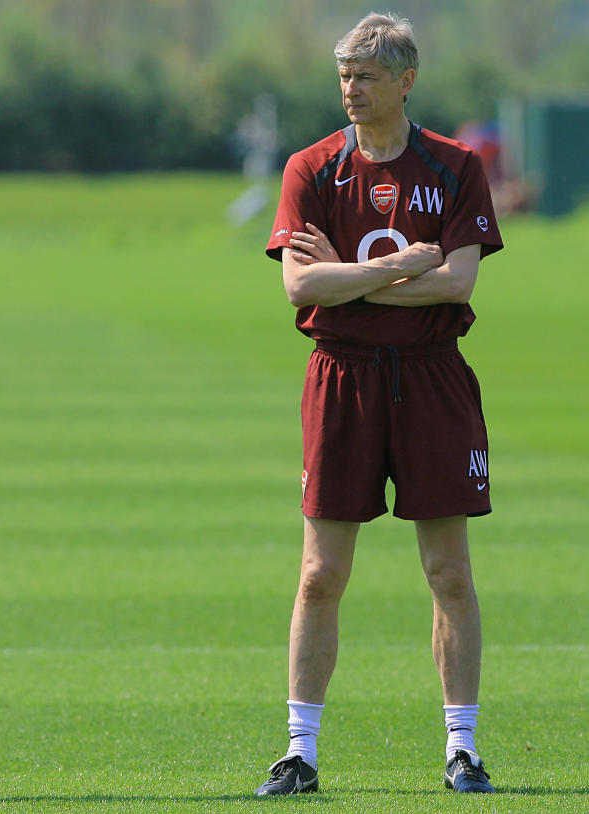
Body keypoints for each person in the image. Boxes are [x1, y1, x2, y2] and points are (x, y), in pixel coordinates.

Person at [257, 13, 503, 796]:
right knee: (320, 574)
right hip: (341, 377)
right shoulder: (310, 169)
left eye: (364, 77)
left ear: (405, 81)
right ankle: (300, 753)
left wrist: (350, 277)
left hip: (432, 377)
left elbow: (459, 283)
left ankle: (460, 749)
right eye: (342, 76)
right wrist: (402, 267)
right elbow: (299, 287)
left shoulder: (456, 165)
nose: (349, 90)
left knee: (448, 573)